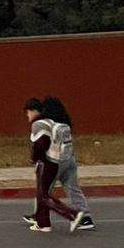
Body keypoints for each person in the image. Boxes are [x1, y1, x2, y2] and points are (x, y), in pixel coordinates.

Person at [21, 97, 81, 233]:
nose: (27, 115)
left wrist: (35, 158)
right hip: (56, 160)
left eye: (28, 112)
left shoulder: (38, 124)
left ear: (34, 110)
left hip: (47, 162)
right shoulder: (51, 121)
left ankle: (72, 214)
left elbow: (42, 143)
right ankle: (43, 223)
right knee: (43, 194)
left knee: (43, 195)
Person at [40, 95, 94, 231]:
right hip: (70, 159)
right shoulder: (65, 124)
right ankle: (85, 217)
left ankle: (40, 217)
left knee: (43, 191)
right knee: (73, 189)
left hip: (55, 161)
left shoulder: (49, 125)